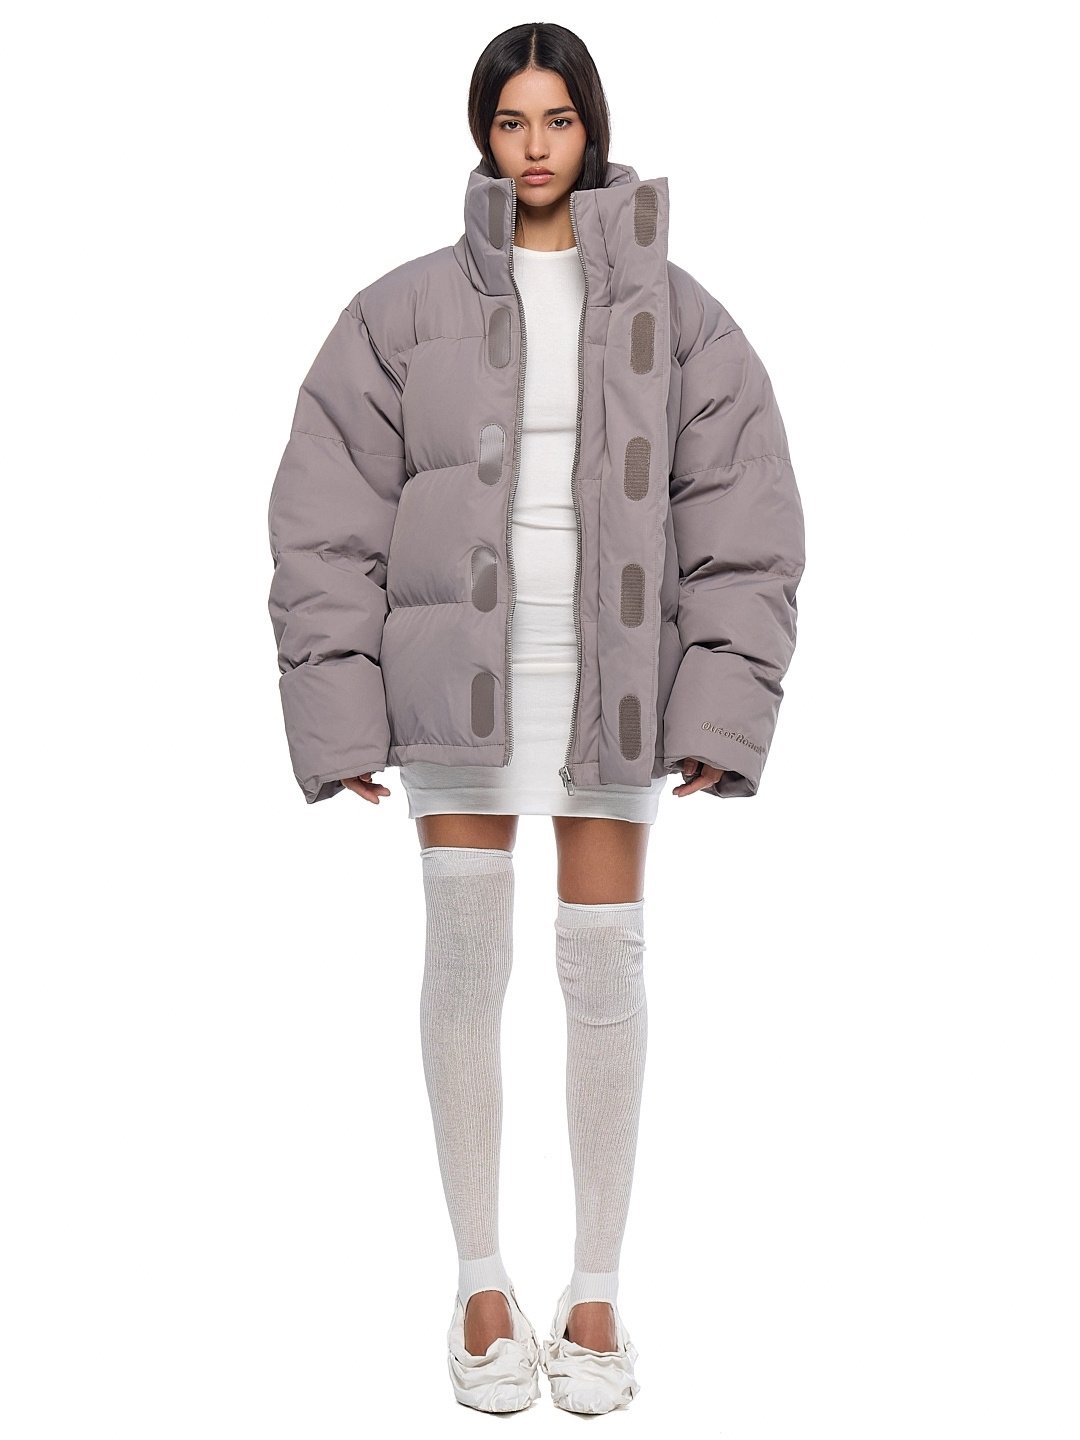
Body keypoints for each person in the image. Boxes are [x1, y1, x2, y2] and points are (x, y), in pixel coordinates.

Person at [266, 22, 805, 1415]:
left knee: (604, 971)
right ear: (482, 135)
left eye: (557, 118)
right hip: (458, 673)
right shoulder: (398, 312)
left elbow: (744, 518)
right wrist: (341, 715)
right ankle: (481, 1279)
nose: (535, 146)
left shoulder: (684, 315)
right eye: (511, 121)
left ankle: (600, 1285)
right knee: (465, 966)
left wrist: (719, 704)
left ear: (592, 127)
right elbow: (324, 515)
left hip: (614, 682)